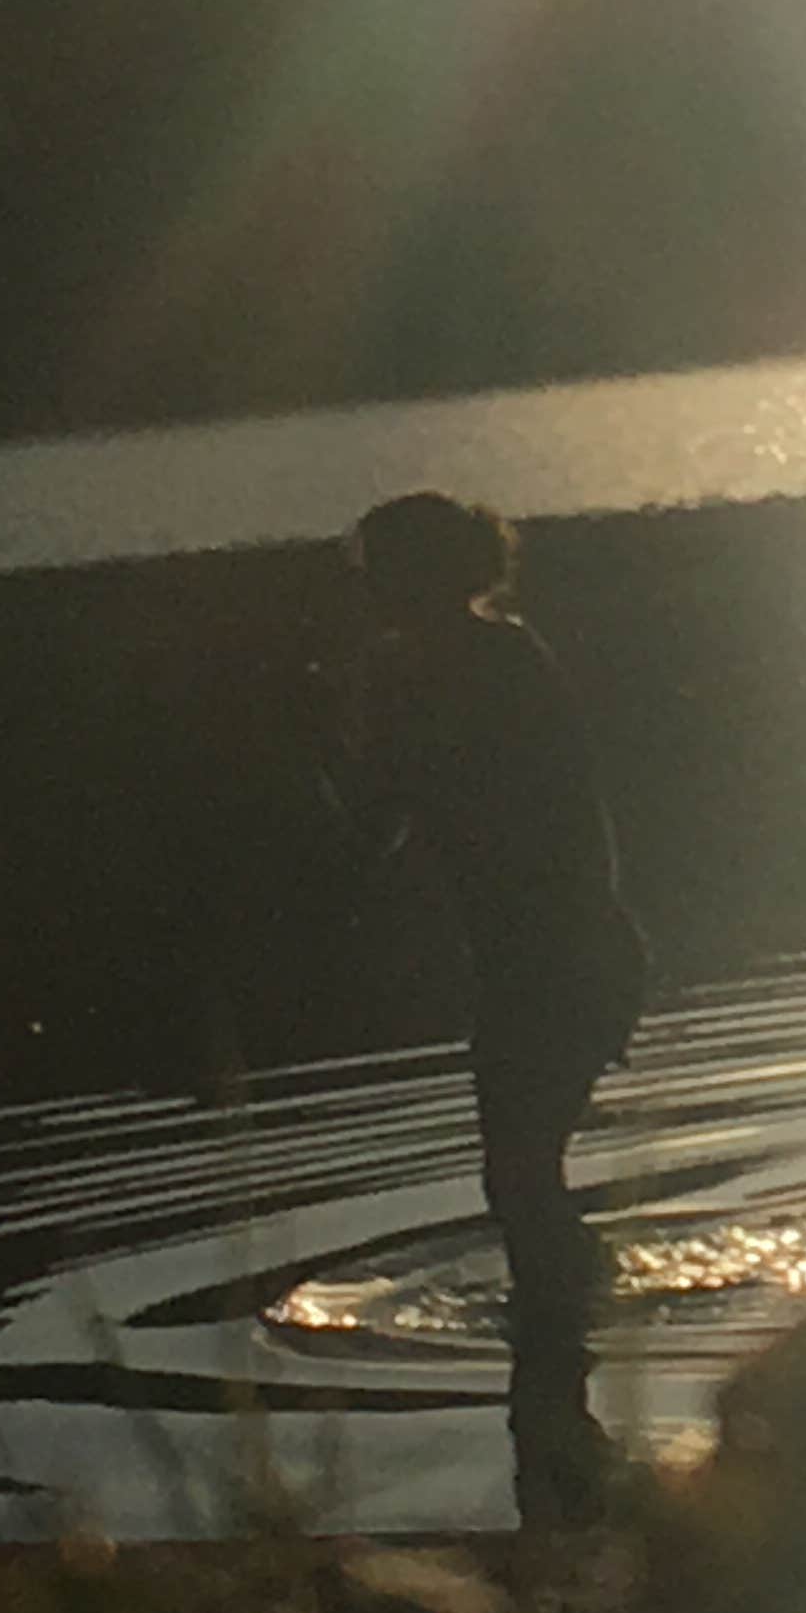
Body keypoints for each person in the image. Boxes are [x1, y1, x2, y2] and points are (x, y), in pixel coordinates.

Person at [338, 491, 649, 1528]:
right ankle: (567, 1382)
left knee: (515, 1170)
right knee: (521, 1172)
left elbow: (541, 823)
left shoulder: (498, 666)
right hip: (529, 962)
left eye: (379, 566)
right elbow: (375, 831)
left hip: (561, 956)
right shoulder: (420, 674)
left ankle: (558, 1417)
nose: (365, 586)